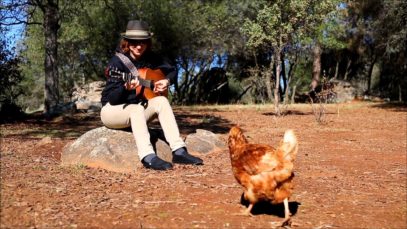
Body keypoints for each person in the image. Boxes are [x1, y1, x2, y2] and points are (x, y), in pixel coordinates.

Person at [100, 20, 203, 170]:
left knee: (161, 100)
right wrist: (125, 87)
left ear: (148, 43)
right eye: (134, 42)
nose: (139, 46)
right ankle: (147, 156)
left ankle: (179, 150)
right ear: (127, 42)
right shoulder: (117, 63)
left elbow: (172, 70)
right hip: (111, 111)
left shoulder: (151, 58)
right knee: (136, 109)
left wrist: (167, 81)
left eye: (143, 42)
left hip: (137, 112)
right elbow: (113, 99)